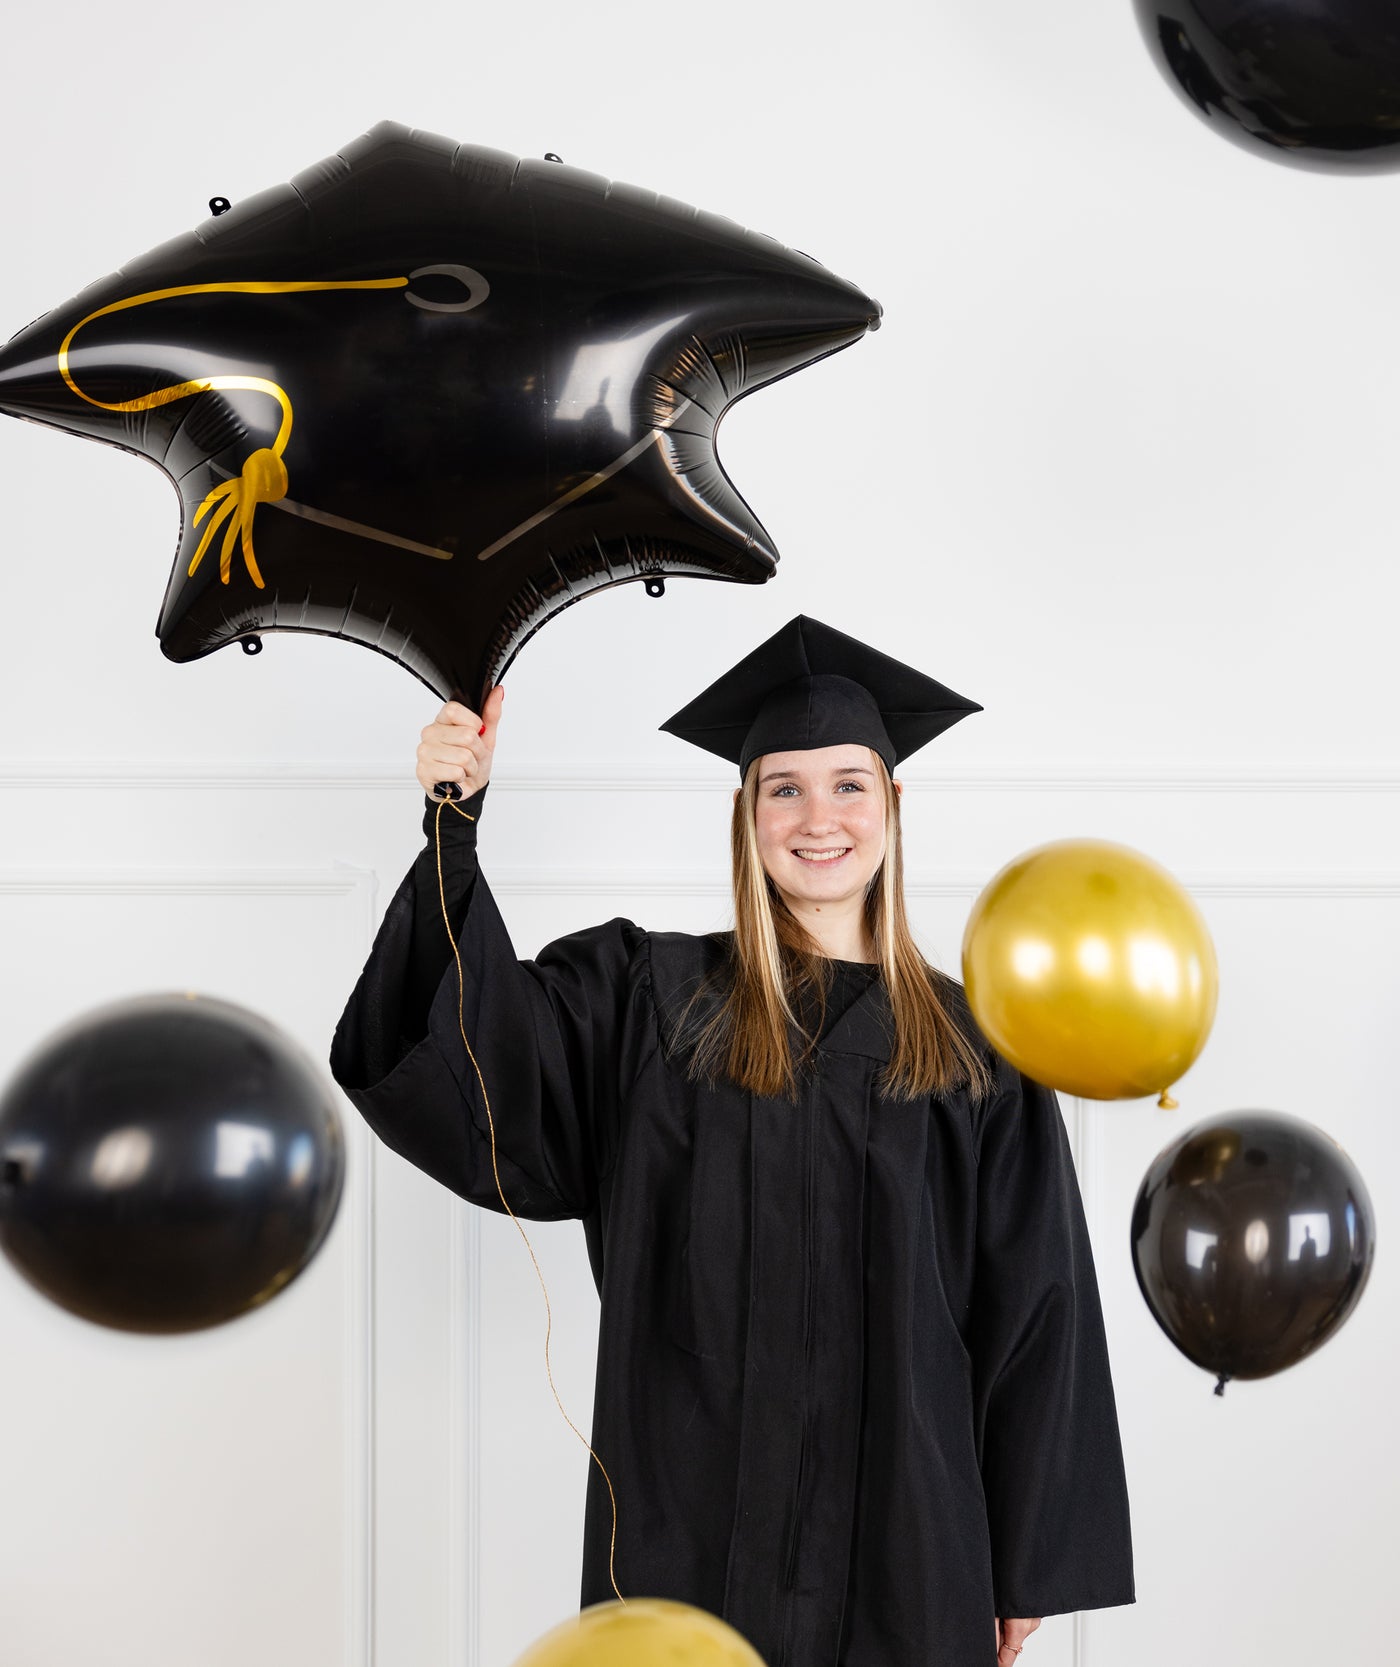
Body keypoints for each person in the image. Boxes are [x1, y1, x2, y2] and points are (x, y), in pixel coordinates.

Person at [330, 616, 1135, 1666]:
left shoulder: (977, 1044)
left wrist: (1024, 1561)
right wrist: (455, 819)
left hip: (912, 1531)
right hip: (686, 1521)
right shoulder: (645, 1001)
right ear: (745, 814)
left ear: (892, 806)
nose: (818, 817)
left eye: (849, 783)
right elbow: (474, 1050)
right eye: (783, 787)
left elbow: (1035, 1303)